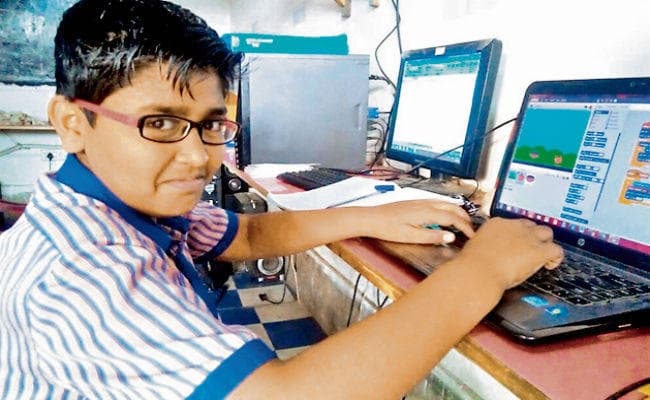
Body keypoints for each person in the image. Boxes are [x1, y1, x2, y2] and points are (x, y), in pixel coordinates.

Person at [0, 0, 563, 398]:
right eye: (161, 123)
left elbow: (247, 233)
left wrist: (373, 216)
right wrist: (484, 270)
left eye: (210, 124)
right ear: (72, 123)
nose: (198, 157)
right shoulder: (83, 270)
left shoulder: (121, 205)